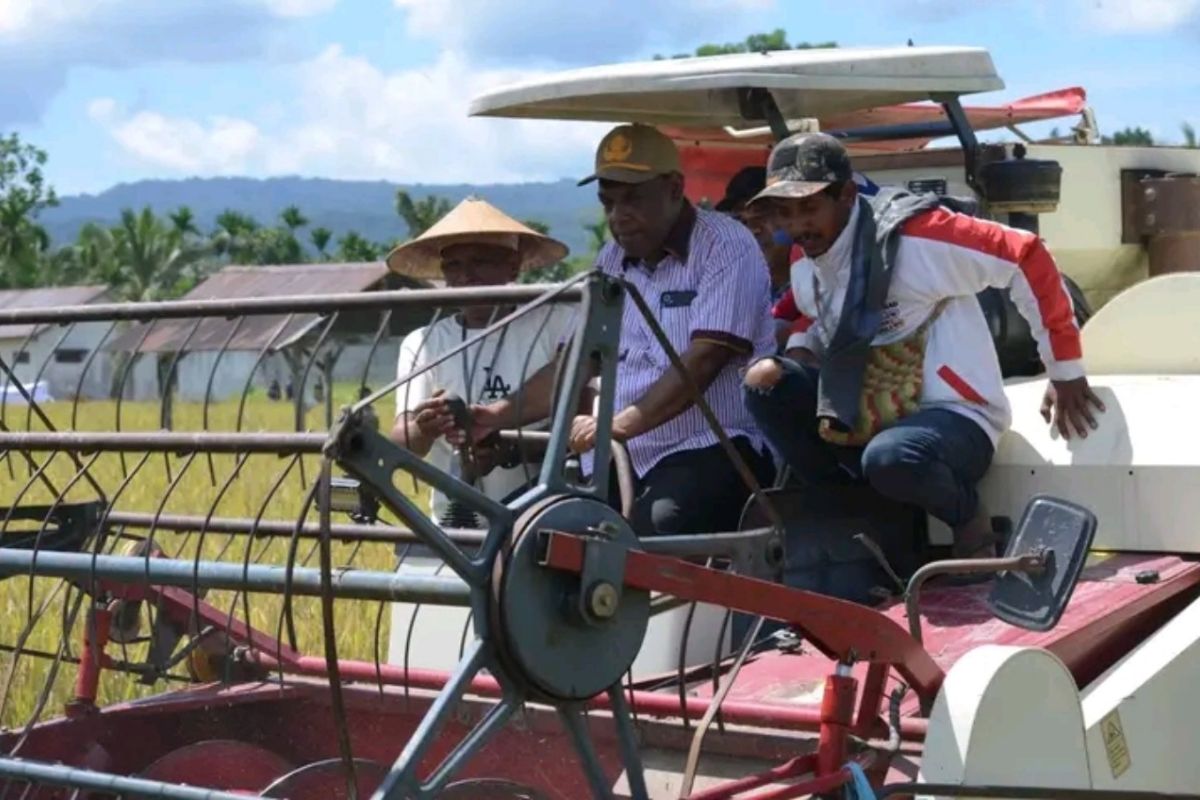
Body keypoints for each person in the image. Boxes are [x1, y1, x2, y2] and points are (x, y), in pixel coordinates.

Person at [741, 132, 1105, 567]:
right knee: (765, 381)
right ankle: (849, 517)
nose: (797, 225)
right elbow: (820, 318)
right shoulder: (806, 262)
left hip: (954, 417)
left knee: (892, 457)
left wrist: (1064, 370)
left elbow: (1025, 253)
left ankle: (969, 522)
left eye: (809, 207)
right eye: (786, 211)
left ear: (847, 196)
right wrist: (802, 347)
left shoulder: (916, 237)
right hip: (868, 411)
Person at [445, 123, 778, 537]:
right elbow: (578, 361)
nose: (619, 216)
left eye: (633, 200)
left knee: (642, 536)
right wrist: (495, 415)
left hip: (712, 447)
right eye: (609, 203)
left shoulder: (725, 246)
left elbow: (703, 360)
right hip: (620, 454)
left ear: (675, 188)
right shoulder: (612, 260)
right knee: (520, 530)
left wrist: (618, 424)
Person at [386, 196, 576, 525]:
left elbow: (581, 407)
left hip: (540, 516)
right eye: (454, 266)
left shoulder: (556, 323)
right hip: (454, 517)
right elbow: (403, 439)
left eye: (481, 262)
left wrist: (506, 447)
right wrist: (424, 428)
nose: (466, 276)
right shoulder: (425, 342)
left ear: (512, 265)